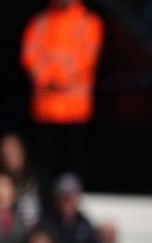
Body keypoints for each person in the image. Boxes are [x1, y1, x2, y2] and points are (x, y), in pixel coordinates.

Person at [21, 0, 105, 184]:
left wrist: (59, 77)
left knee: (75, 161)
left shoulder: (88, 21)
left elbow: (88, 55)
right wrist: (46, 77)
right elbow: (29, 53)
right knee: (45, 161)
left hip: (76, 108)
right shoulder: (40, 22)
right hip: (46, 106)